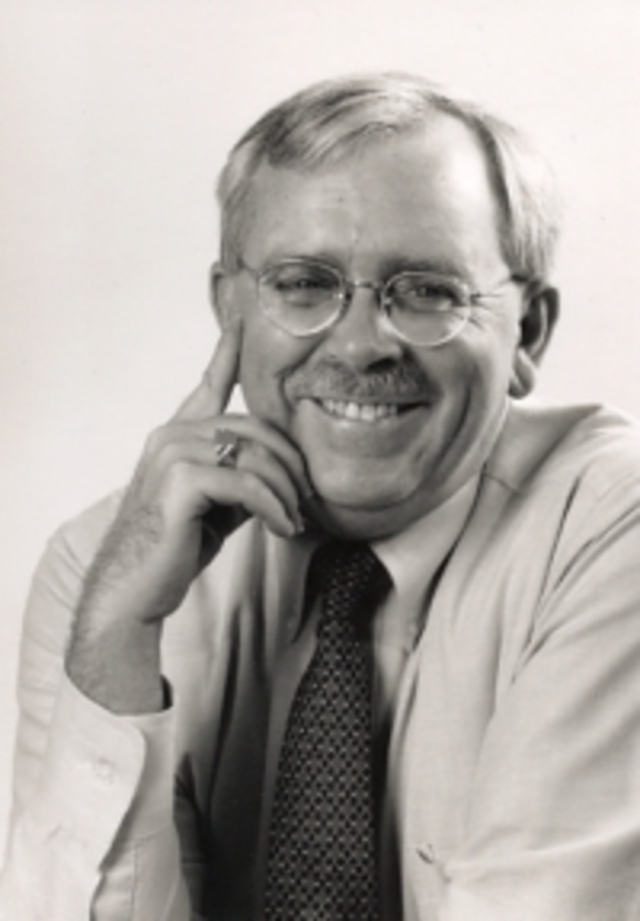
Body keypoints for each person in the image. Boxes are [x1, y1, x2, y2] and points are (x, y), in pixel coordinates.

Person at [3, 71, 640, 921]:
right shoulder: (104, 568)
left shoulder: (612, 530)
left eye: (429, 290)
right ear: (228, 309)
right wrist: (115, 639)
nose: (361, 344)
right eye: (304, 283)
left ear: (527, 333)